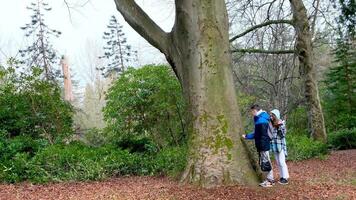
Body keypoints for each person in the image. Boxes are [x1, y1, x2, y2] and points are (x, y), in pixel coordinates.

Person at [242, 104, 274, 187]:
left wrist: (247, 136)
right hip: (263, 143)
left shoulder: (261, 120)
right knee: (265, 161)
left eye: (252, 112)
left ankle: (270, 181)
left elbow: (259, 134)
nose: (251, 113)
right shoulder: (261, 118)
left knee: (266, 162)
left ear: (255, 111)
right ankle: (268, 180)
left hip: (263, 143)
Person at [269, 109, 290, 185]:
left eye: (272, 115)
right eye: (271, 115)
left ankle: (285, 177)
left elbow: (283, 135)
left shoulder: (281, 123)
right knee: (278, 162)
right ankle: (282, 177)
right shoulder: (271, 124)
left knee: (282, 161)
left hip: (280, 145)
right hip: (274, 145)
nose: (271, 116)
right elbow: (270, 134)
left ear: (276, 116)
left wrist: (279, 126)